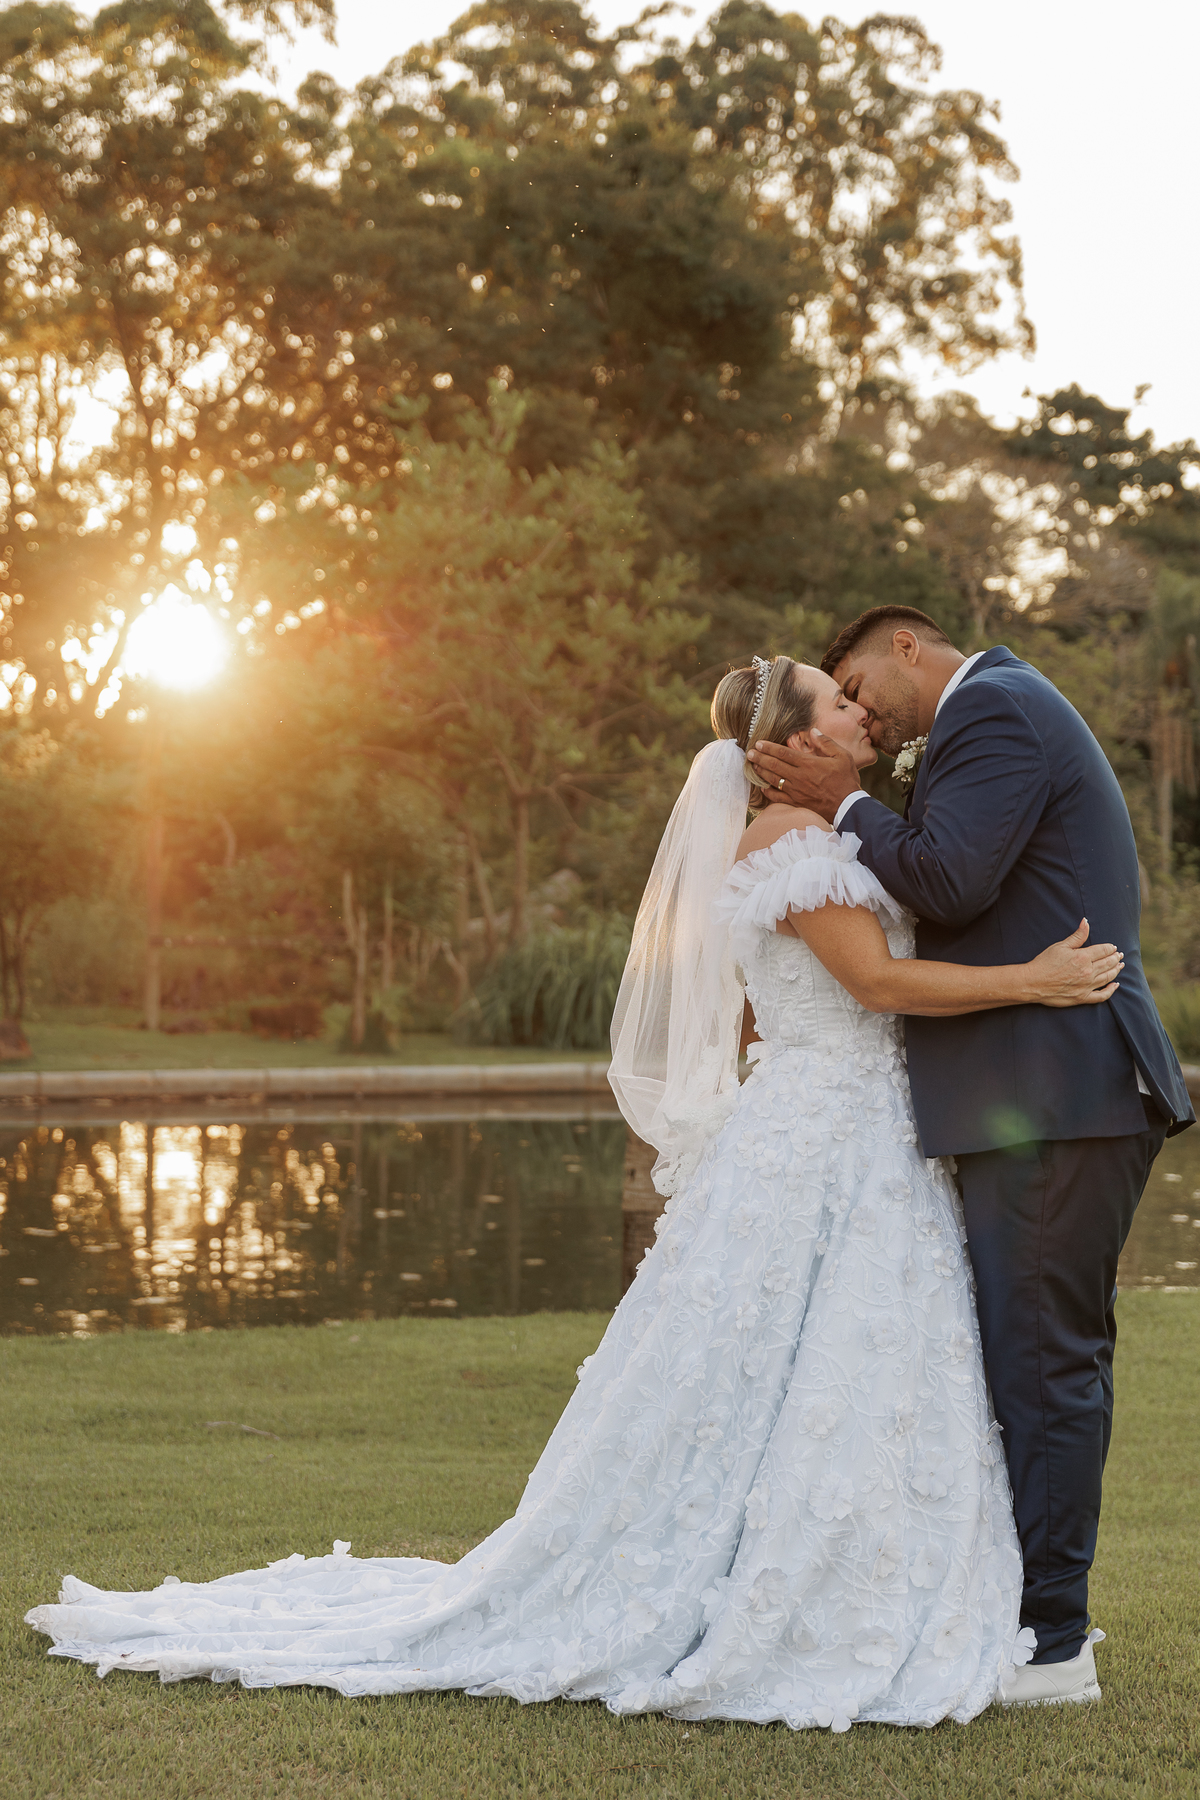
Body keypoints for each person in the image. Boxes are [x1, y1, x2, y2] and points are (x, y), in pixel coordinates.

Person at [27, 656, 1125, 1729]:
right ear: (791, 744)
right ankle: (804, 1592)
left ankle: (875, 1573)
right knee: (825, 1353)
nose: (859, 714)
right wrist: (1033, 981)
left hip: (842, 1124)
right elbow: (877, 983)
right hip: (836, 1133)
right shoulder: (794, 842)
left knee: (834, 1362)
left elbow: (776, 1001)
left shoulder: (810, 838)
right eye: (838, 703)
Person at [747, 608, 1194, 1708]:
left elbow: (946, 883)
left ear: (908, 646)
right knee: (1027, 1356)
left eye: (860, 686)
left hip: (1055, 1091)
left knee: (1043, 1360)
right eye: (840, 702)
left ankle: (1054, 1643)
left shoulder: (993, 707)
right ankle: (1018, 1611)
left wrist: (843, 802)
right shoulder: (987, 715)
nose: (863, 713)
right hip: (1035, 1097)